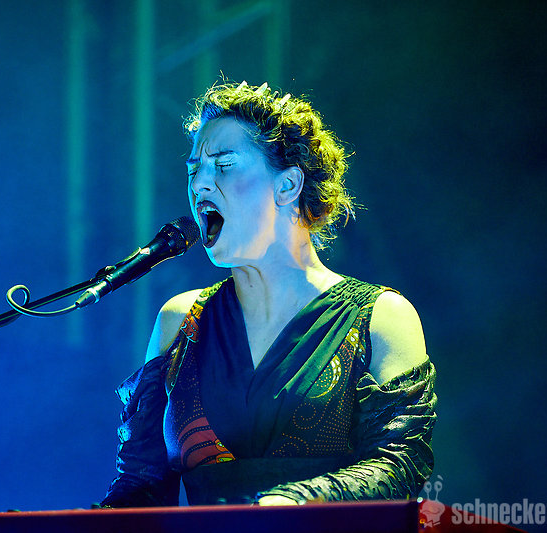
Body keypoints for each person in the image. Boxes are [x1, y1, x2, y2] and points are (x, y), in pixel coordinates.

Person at [100, 81, 436, 507]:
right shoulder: (179, 322)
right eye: (193, 170)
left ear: (287, 186)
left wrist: (287, 505)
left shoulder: (380, 317)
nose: (200, 184)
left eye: (224, 165)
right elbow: (140, 487)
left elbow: (399, 468)